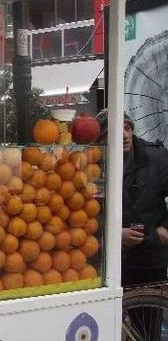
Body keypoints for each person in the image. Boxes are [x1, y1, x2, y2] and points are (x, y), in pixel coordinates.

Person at [96, 110, 168, 340]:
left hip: (148, 258)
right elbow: (81, 215)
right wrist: (113, 234)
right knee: (105, 325)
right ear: (101, 139)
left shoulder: (156, 158)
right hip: (105, 259)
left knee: (146, 329)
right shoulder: (92, 164)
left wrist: (164, 230)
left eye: (128, 127)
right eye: (115, 130)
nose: (125, 134)